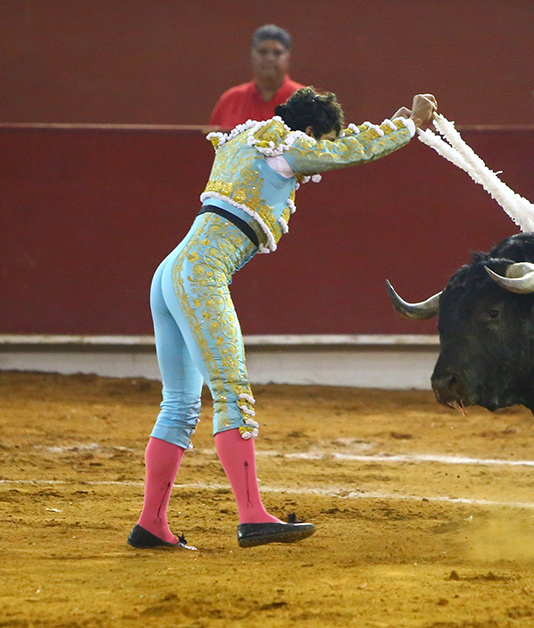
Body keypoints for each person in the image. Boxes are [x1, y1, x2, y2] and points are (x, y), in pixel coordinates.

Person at [128, 87, 438, 550]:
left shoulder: (248, 139)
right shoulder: (286, 147)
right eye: (322, 139)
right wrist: (407, 127)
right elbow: (343, 154)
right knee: (232, 395)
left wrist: (386, 125)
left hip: (170, 273)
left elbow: (336, 145)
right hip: (200, 274)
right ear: (309, 131)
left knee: (179, 404)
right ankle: (252, 516)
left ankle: (151, 524)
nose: (322, 150)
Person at [209, 24, 304, 130]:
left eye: (277, 53)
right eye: (263, 52)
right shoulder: (230, 101)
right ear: (252, 55)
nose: (270, 58)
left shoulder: (305, 101)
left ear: (288, 57)